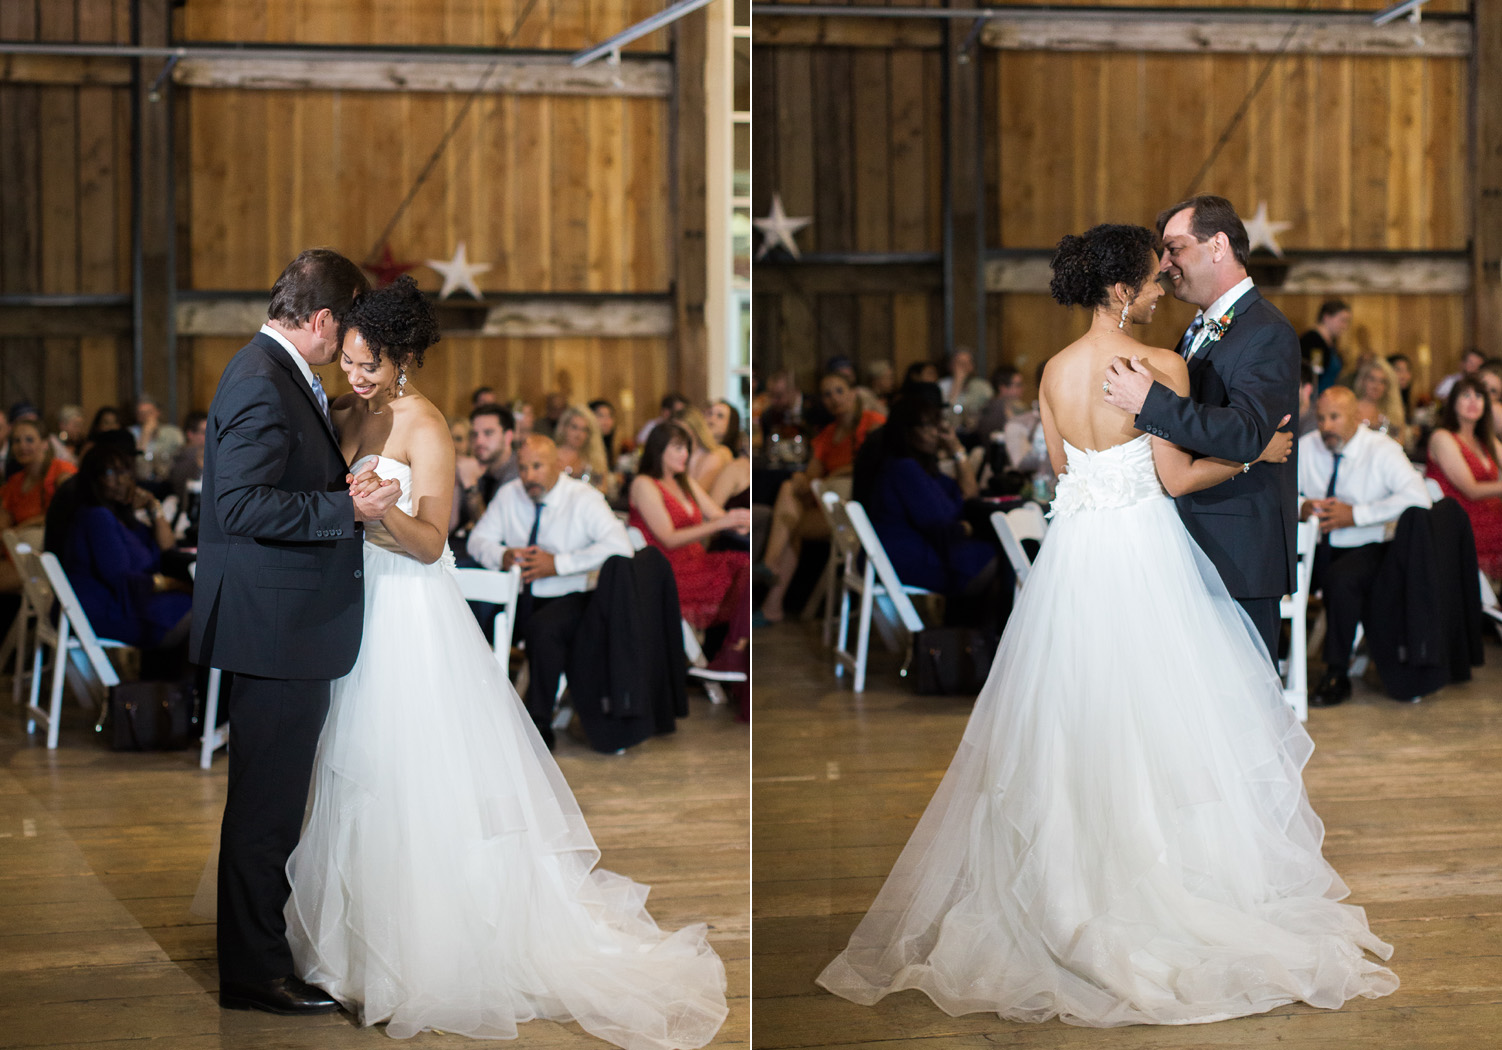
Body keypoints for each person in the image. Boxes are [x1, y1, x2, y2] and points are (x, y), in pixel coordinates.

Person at [818, 222, 1395, 1025]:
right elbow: (1179, 477)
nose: (1163, 291)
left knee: (1074, 725)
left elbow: (1060, 475)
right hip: (1144, 558)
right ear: (1122, 289)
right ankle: (1160, 884)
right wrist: (1256, 456)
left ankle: (1068, 888)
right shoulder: (1158, 367)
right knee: (1162, 723)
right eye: (1154, 281)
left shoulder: (1054, 373)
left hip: (1074, 565)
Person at [279, 276, 725, 1045]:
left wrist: (375, 519)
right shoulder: (341, 408)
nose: (354, 376)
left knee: (406, 770)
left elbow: (432, 542)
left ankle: (424, 953)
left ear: (404, 360)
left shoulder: (425, 426)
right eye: (348, 361)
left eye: (369, 366)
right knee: (348, 769)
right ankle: (350, 942)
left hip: (407, 609)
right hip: (347, 603)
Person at [189, 248, 400, 1017]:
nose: (349, 348)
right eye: (344, 330)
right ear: (320, 320)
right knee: (265, 809)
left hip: (282, 625)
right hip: (276, 629)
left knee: (271, 804)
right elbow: (239, 505)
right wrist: (346, 510)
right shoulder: (259, 378)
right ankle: (253, 973)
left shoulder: (269, 372)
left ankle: (261, 957)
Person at [1104, 194, 1300, 659]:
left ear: (1217, 245)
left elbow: (1248, 432)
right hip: (1190, 547)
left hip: (1237, 552)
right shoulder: (1198, 328)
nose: (1165, 264)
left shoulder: (1266, 330)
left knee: (1246, 710)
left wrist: (1150, 401)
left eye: (1174, 249)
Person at [467, 435, 635, 748]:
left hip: (573, 594)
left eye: (537, 466)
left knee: (544, 631)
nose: (529, 476)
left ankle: (538, 727)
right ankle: (477, 720)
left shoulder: (583, 498)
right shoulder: (509, 494)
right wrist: (502, 554)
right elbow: (478, 541)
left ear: (558, 465)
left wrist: (559, 563)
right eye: (523, 467)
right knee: (470, 621)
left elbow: (620, 548)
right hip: (520, 594)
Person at [1300, 387, 1432, 706]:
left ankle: (1336, 673)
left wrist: (1357, 515)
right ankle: (1271, 661)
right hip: (1315, 545)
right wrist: (1301, 505)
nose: (1326, 426)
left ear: (1357, 418)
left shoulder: (1382, 450)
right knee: (1271, 568)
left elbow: (1419, 498)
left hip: (1368, 546)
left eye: (1334, 417)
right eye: (1320, 418)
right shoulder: (1306, 447)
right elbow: (1280, 492)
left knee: (1342, 579)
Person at [852, 393, 1010, 631]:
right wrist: (967, 527)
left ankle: (971, 643)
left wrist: (957, 450)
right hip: (902, 557)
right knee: (999, 558)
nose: (936, 432)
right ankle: (978, 646)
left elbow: (969, 495)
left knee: (994, 556)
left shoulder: (920, 466)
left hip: (907, 552)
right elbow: (942, 522)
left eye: (938, 424)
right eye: (928, 425)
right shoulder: (904, 468)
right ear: (907, 430)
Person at [628, 422, 751, 701]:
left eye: (687, 449)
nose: (685, 455)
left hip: (696, 562)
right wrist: (722, 524)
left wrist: (740, 521)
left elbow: (717, 514)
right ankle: (730, 654)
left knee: (745, 566)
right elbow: (668, 538)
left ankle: (732, 654)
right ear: (659, 450)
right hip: (666, 572)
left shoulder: (685, 482)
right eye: (678, 448)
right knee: (743, 569)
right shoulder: (644, 484)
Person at [756, 371, 884, 624]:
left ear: (852, 392)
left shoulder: (872, 421)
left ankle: (772, 597)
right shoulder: (828, 433)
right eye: (827, 395)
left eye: (839, 391)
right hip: (829, 498)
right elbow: (812, 473)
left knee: (790, 524)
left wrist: (832, 474)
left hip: (858, 506)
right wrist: (802, 480)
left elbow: (873, 463)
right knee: (787, 489)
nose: (834, 399)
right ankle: (771, 582)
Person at [52, 442, 190, 663]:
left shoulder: (120, 517)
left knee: (201, 608)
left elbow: (167, 548)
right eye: (111, 473)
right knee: (203, 613)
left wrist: (153, 506)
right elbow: (120, 578)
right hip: (104, 611)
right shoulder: (97, 517)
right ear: (93, 480)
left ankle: (173, 689)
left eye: (125, 470)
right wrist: (175, 584)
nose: (122, 480)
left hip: (122, 602)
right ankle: (177, 692)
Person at [1426, 376, 1502, 581]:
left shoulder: (1485, 440)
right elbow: (1471, 490)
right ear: (1453, 402)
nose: (1473, 401)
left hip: (1492, 515)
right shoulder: (1443, 437)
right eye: (1466, 395)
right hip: (1463, 520)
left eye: (1479, 396)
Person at [554, 402, 615, 496]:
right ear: (564, 427)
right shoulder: (551, 455)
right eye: (574, 427)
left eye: (584, 430)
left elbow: (602, 491)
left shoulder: (595, 460)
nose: (578, 434)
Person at [674, 406, 733, 492]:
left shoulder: (713, 456)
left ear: (695, 430)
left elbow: (697, 496)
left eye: (680, 431)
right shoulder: (682, 455)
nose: (675, 436)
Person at [1352, 355, 1408, 446]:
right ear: (1363, 381)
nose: (1376, 386)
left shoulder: (1394, 414)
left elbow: (1399, 445)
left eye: (1382, 381)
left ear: (1387, 387)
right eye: (1372, 379)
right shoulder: (1350, 409)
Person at [1300, 299, 1351, 395]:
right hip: (1314, 399)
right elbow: (1314, 375)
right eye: (1342, 320)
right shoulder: (1314, 342)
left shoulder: (1330, 342)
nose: (1345, 326)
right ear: (1326, 317)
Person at [132, 395, 185, 484]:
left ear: (157, 412)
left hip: (168, 482)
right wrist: (145, 434)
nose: (146, 417)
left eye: (149, 413)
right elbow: (136, 464)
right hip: (141, 482)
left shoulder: (173, 433)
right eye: (141, 414)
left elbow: (182, 460)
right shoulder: (131, 434)